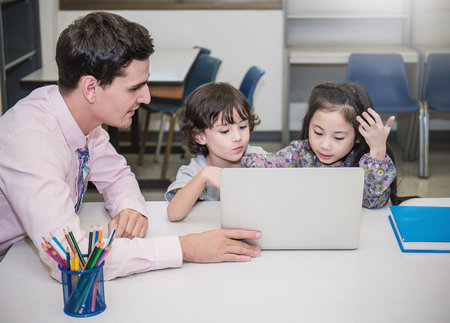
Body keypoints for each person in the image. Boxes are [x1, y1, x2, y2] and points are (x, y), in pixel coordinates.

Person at [0, 12, 261, 282]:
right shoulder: (32, 144)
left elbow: (117, 175)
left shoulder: (80, 118)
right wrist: (184, 248)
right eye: (134, 88)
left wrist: (129, 207)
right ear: (91, 87)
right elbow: (73, 260)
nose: (146, 97)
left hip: (23, 253)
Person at [242, 82, 403, 208]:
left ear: (359, 136)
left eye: (338, 138)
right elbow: (263, 165)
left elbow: (373, 203)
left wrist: (377, 150)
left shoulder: (364, 163)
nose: (325, 145)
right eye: (318, 133)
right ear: (308, 124)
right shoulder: (299, 152)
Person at [165, 82, 266, 222]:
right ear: (200, 136)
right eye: (225, 131)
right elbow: (174, 214)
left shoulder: (259, 158)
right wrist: (203, 176)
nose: (238, 137)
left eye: (243, 126)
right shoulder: (195, 170)